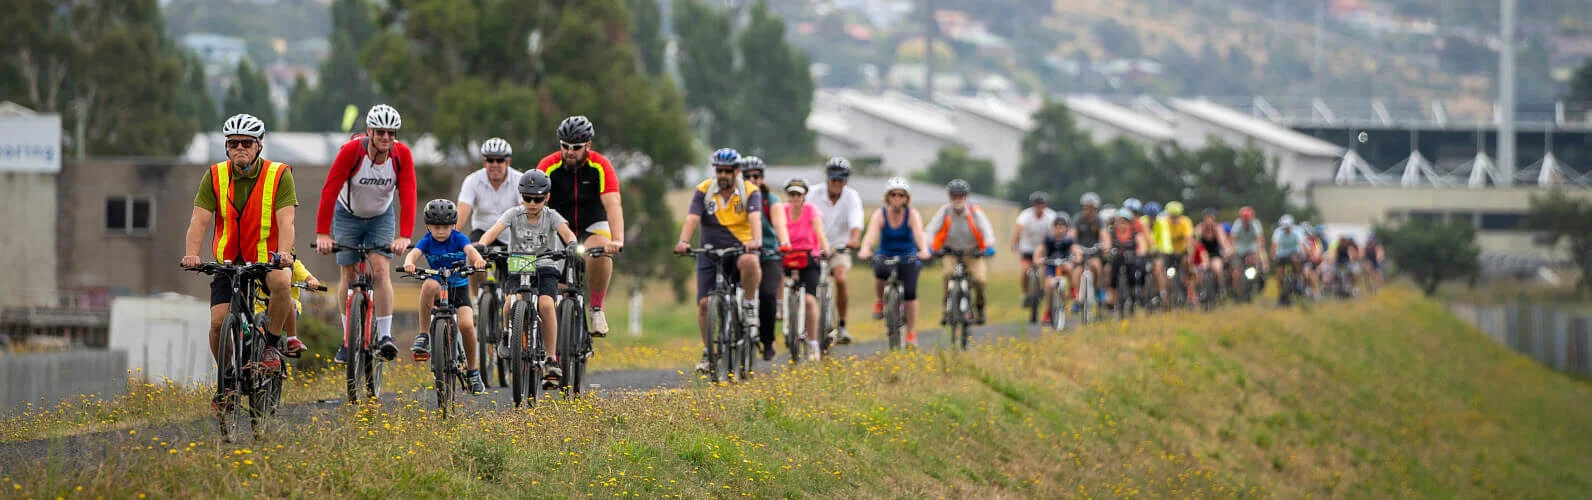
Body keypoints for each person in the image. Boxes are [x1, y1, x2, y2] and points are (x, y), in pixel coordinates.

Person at [183, 113, 299, 377]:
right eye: (233, 143)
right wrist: (192, 254)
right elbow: (199, 221)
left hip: (268, 256)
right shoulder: (214, 176)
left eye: (246, 143)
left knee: (282, 283)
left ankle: (270, 345)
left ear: (259, 145)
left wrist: (283, 253)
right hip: (228, 260)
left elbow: (287, 221)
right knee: (217, 323)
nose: (239, 149)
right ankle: (225, 379)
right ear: (226, 146)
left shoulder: (279, 174)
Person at [314, 104, 416, 364]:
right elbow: (329, 189)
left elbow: (408, 193)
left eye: (391, 133)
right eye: (380, 132)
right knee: (348, 273)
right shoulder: (351, 152)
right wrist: (323, 233)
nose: (385, 137)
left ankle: (384, 336)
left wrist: (404, 235)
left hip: (381, 217)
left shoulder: (401, 155)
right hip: (348, 215)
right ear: (369, 131)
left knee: (380, 269)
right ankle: (348, 340)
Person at [477, 171, 580, 385]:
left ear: (547, 198)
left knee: (546, 305)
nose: (532, 203)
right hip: (519, 264)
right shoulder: (513, 214)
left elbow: (568, 234)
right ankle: (507, 336)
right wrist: (482, 245)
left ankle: (551, 358)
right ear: (520, 196)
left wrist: (571, 245)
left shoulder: (552, 216)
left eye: (538, 199)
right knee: (508, 304)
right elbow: (493, 231)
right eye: (527, 198)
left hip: (545, 264)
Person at [674, 149, 763, 374]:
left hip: (739, 249)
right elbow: (692, 218)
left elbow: (755, 218)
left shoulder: (750, 192)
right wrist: (684, 241)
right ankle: (707, 352)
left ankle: (750, 304)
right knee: (704, 304)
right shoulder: (704, 191)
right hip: (710, 252)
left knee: (751, 262)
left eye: (727, 171)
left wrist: (756, 240)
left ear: (736, 171)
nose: (722, 175)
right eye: (718, 170)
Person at [537, 116, 624, 336]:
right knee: (553, 287)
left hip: (592, 224)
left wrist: (617, 240)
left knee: (600, 251)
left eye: (576, 147)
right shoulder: (548, 165)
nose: (570, 152)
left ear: (588, 145)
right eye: (565, 146)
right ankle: (554, 349)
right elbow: (532, 205)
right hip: (558, 228)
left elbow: (613, 204)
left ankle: (596, 308)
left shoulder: (601, 165)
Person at [401, 200, 490, 394]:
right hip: (437, 289)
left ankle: (473, 371)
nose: (441, 231)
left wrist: (478, 261)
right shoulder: (427, 241)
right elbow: (413, 254)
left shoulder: (458, 238)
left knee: (466, 325)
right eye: (436, 227)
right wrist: (409, 263)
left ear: (453, 226)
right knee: (428, 284)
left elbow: (470, 251)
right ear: (428, 226)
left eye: (445, 227)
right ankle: (423, 335)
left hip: (459, 290)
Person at [857, 177, 931, 346]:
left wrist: (924, 250)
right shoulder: (880, 214)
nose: (897, 198)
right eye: (893, 194)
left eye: (901, 195)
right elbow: (871, 235)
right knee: (879, 270)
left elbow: (919, 235)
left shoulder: (912, 215)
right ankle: (879, 300)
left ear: (906, 198)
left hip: (908, 255)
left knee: (910, 293)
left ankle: (911, 332)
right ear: (887, 197)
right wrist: (865, 248)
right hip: (886, 254)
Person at [806, 157, 864, 345]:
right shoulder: (813, 193)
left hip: (839, 246)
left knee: (840, 277)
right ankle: (806, 327)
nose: (837, 184)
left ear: (846, 181)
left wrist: (854, 240)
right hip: (815, 246)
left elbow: (856, 222)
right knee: (807, 285)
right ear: (827, 179)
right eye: (834, 179)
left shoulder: (851, 197)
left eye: (841, 180)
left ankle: (842, 323)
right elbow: (803, 214)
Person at [925, 179, 997, 324]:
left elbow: (986, 229)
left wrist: (989, 245)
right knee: (947, 275)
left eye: (961, 195)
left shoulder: (974, 211)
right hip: (950, 252)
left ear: (966, 196)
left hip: (973, 252)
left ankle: (980, 307)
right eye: (954, 196)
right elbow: (931, 229)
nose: (957, 199)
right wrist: (928, 246)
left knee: (979, 280)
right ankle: (946, 311)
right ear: (950, 197)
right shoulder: (945, 210)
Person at [742, 156, 793, 361]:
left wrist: (784, 242)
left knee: (768, 294)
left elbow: (780, 224)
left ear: (762, 178)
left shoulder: (770, 201)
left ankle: (767, 339)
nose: (753, 179)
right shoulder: (737, 200)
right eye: (747, 176)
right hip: (743, 254)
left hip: (768, 253)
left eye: (757, 176)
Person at [457, 137, 523, 292]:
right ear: (484, 162)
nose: (494, 165)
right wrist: (450, 237)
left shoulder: (520, 180)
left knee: (518, 280)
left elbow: (525, 212)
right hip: (482, 233)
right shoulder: (472, 180)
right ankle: (477, 300)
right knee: (472, 255)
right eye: (490, 160)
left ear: (508, 162)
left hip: (511, 236)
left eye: (499, 160)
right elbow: (461, 213)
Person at [775, 178, 831, 359]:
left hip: (808, 257)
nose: (795, 197)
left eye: (798, 194)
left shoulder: (811, 210)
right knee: (777, 275)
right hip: (787, 255)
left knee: (809, 300)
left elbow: (819, 231)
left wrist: (825, 248)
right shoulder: (782, 211)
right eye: (791, 194)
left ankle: (813, 343)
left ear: (804, 195)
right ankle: (780, 306)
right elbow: (777, 229)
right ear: (787, 195)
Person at [251, 260, 321, 356]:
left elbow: (308, 277)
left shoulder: (294, 263)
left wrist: (311, 281)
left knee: (289, 301)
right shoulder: (257, 262)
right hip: (259, 309)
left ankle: (292, 339)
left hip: (288, 312)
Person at [1031, 215, 1080, 325]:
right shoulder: (1049, 239)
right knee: (1048, 285)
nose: (1059, 229)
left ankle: (1073, 288)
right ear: (1053, 228)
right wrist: (1037, 259)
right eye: (1057, 227)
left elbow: (1076, 250)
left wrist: (1077, 257)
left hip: (1064, 264)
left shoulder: (1068, 240)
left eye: (1062, 227)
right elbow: (1039, 250)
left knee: (1069, 268)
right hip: (1051, 265)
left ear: (1066, 228)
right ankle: (1048, 311)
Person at [1011, 191, 1057, 308]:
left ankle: (1041, 289)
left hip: (1043, 249)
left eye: (1042, 204)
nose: (1039, 207)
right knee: (1025, 271)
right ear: (1033, 205)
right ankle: (1026, 293)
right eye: (1037, 204)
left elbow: (1054, 232)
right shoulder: (1025, 215)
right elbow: (1018, 230)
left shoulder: (1051, 216)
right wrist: (1015, 244)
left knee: (1045, 270)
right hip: (1027, 248)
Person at [1103, 207, 1150, 306]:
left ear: (1130, 223)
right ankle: (1112, 299)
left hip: (1131, 259)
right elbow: (1107, 244)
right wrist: (1107, 249)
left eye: (1125, 222)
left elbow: (1142, 245)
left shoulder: (1135, 234)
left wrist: (1141, 251)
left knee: (1133, 275)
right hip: (1116, 258)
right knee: (1112, 274)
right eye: (1120, 222)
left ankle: (1133, 296)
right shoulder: (1111, 234)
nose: (1122, 225)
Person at [1072, 193, 1108, 311]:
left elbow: (1104, 235)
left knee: (1096, 266)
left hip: (1094, 252)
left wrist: (1106, 246)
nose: (1088, 210)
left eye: (1091, 208)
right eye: (1086, 207)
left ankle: (1098, 289)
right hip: (1080, 252)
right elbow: (1072, 235)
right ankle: (1077, 298)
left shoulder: (1099, 220)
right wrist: (1073, 246)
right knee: (1077, 271)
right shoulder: (1078, 219)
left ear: (1095, 208)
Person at [1190, 208, 1233, 304]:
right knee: (1196, 273)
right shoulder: (1199, 228)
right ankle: (1196, 294)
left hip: (1215, 255)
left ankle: (1221, 290)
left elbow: (1224, 243)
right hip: (1201, 256)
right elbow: (1193, 243)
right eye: (1207, 218)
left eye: (1211, 218)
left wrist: (1227, 251)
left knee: (1217, 269)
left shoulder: (1218, 229)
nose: (1209, 221)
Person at [1159, 201, 1195, 303]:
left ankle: (1190, 288)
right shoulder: (1164, 223)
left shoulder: (1185, 222)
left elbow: (1188, 238)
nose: (1174, 218)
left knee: (1187, 263)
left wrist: (1189, 250)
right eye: (1172, 216)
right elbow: (1161, 239)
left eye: (1176, 216)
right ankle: (1165, 297)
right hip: (1168, 252)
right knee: (1162, 270)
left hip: (1182, 251)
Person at [1229, 206, 1267, 289]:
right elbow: (1232, 238)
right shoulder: (1237, 223)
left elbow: (1259, 239)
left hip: (1252, 250)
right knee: (1236, 271)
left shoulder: (1256, 224)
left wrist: (1258, 252)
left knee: (1259, 266)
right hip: (1239, 250)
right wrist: (1232, 250)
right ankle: (1237, 292)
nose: (1246, 221)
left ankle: (1257, 283)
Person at [1271, 215, 1306, 303]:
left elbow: (1301, 244)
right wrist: (1273, 255)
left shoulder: (1297, 231)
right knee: (1279, 274)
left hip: (1294, 252)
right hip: (1282, 254)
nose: (1286, 229)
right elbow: (1275, 245)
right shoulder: (1278, 232)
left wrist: (1303, 254)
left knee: (1295, 260)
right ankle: (1280, 295)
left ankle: (1298, 279)